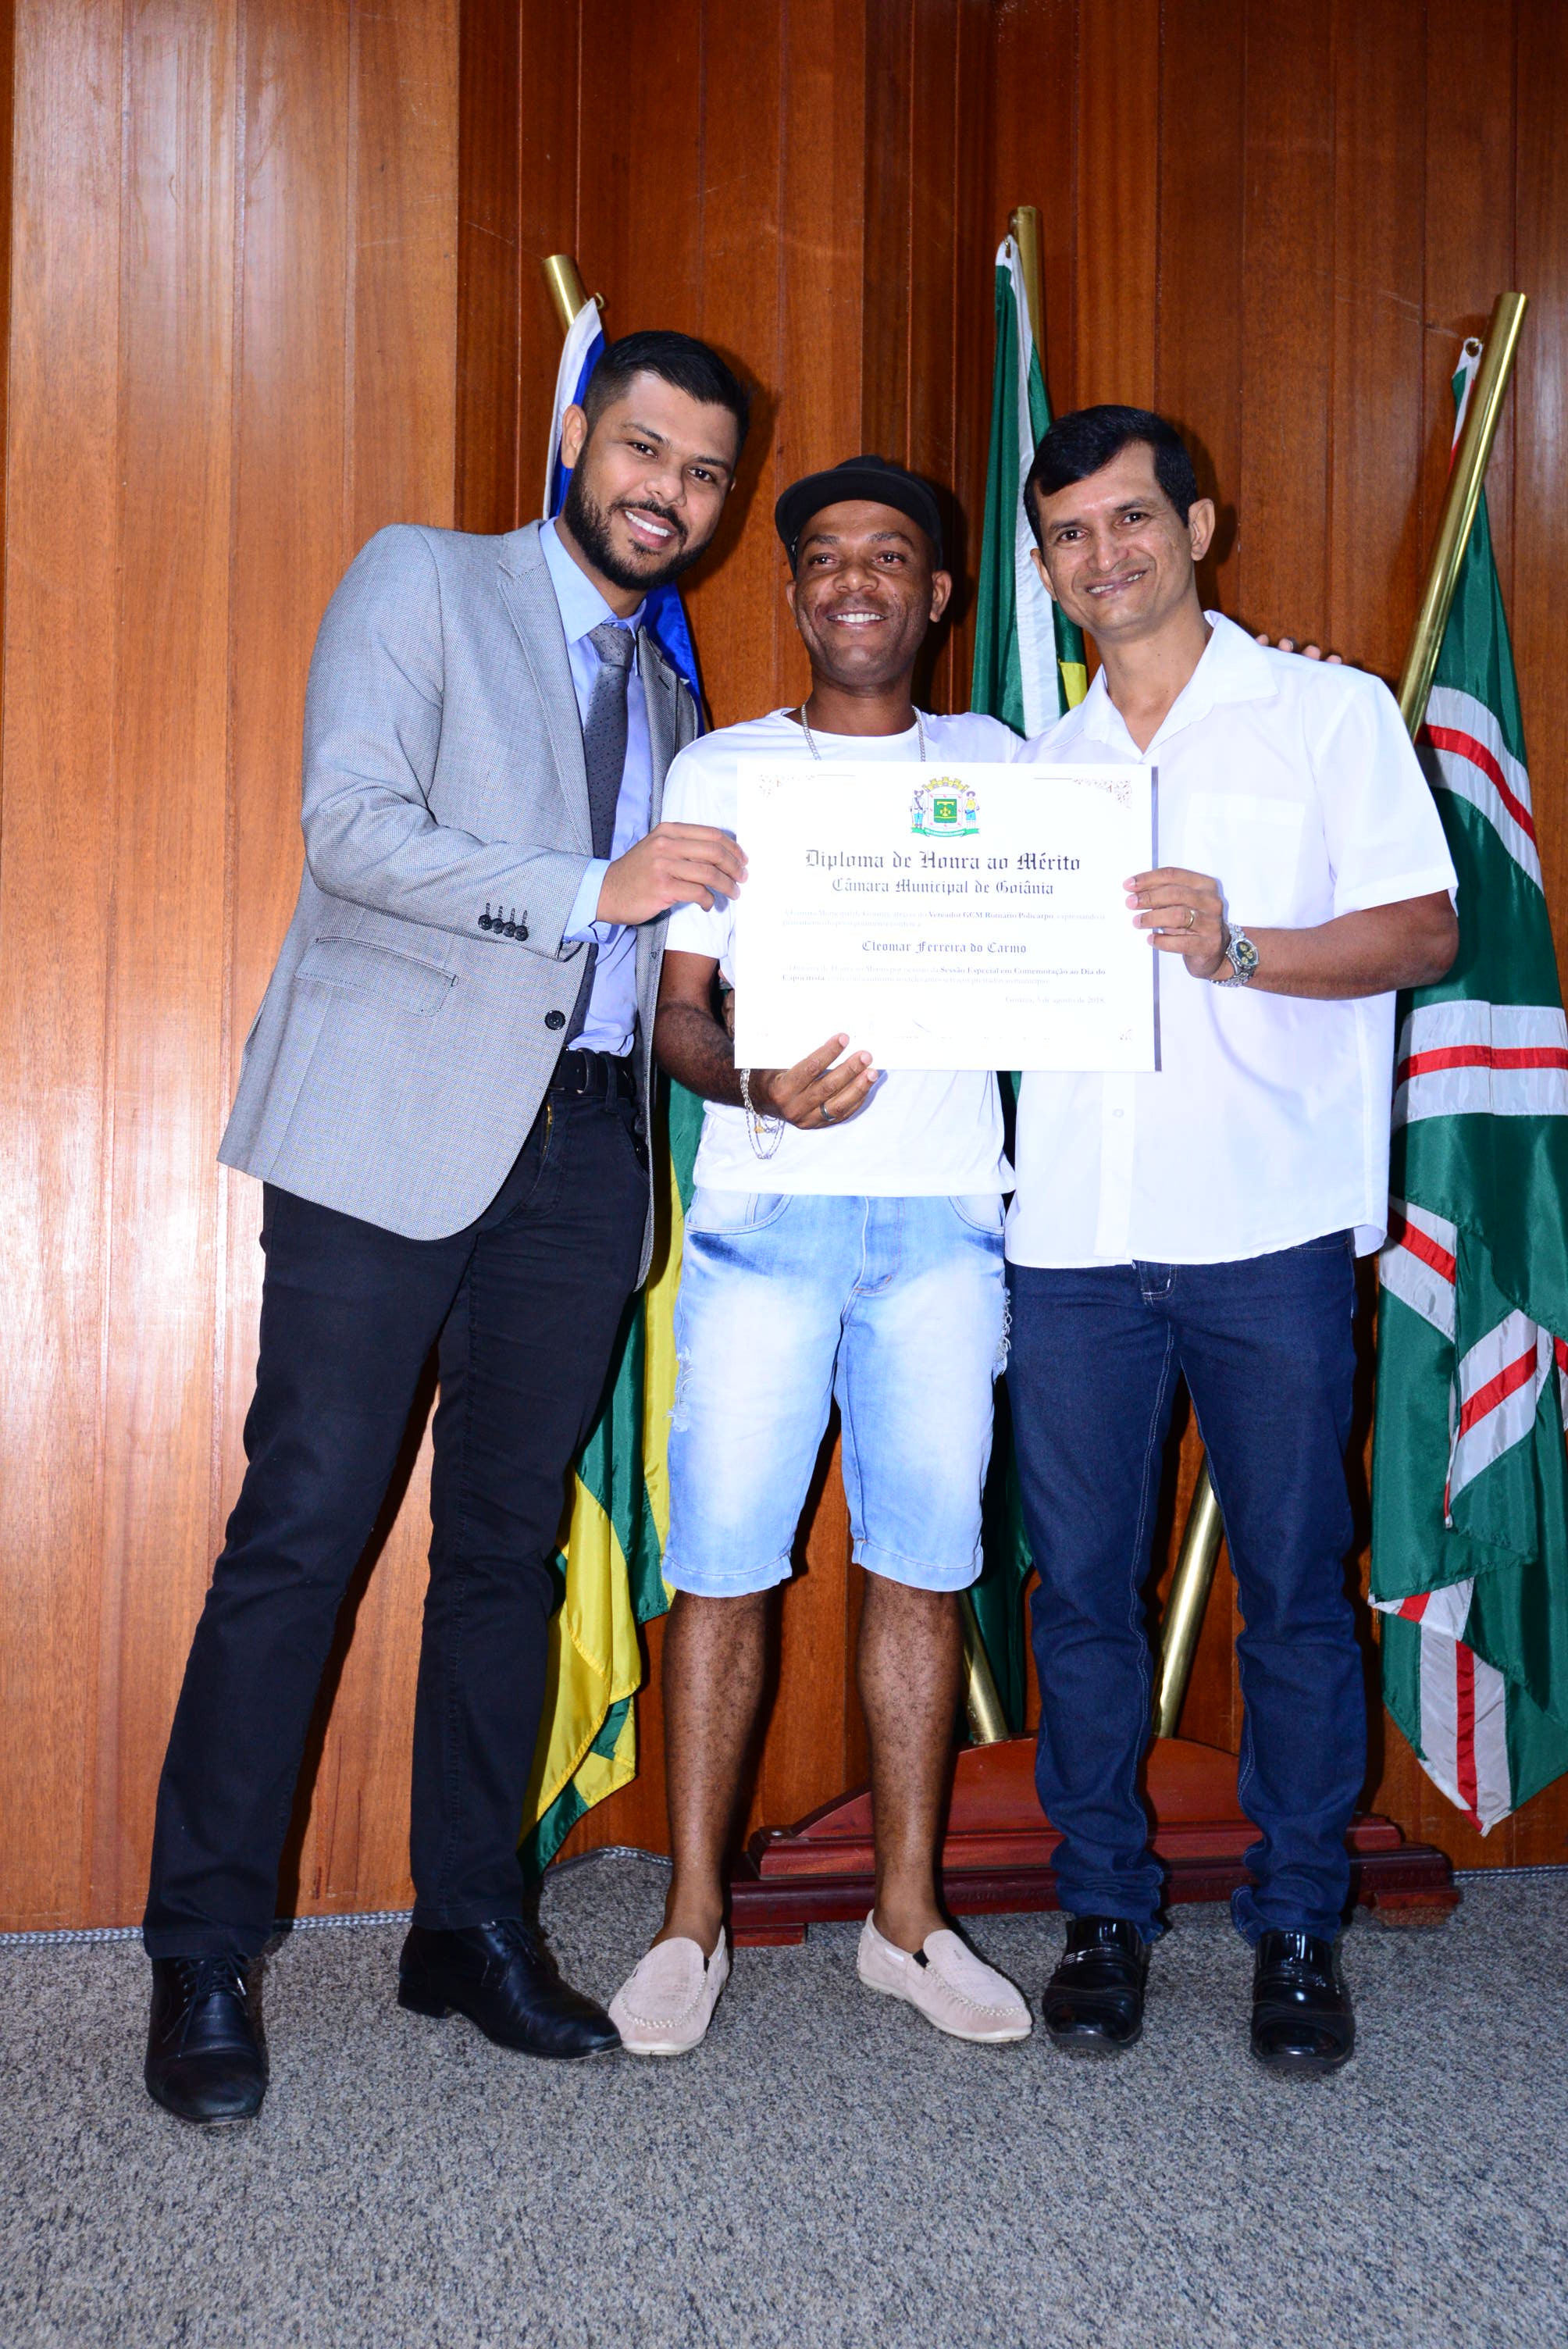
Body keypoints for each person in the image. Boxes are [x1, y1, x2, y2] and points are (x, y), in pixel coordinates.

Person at [141, 331, 752, 2125]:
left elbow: (680, 954)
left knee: (506, 1554)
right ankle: (201, 1948)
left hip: (584, 1154)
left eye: (702, 472)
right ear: (574, 433)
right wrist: (586, 886)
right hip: (384, 1132)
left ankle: (466, 1925)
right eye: (642, 449)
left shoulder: (677, 707)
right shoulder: (420, 575)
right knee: (300, 1532)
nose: (666, 492)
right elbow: (351, 828)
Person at [1005, 405, 1459, 2074]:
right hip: (1069, 1238)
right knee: (1077, 1596)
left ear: (1198, 527)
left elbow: (1425, 928)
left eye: (1132, 519)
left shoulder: (1327, 715)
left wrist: (1240, 947)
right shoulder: (1032, 773)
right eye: (1070, 534)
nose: (1104, 555)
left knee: (1290, 1588)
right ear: (1046, 566)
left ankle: (1297, 1920)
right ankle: (1101, 1909)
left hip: (1266, 1229)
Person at [607, 455, 1033, 2058]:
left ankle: (904, 1922)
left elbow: (1110, 870)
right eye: (827, 557)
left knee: (922, 1560)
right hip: (765, 1217)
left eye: (890, 555)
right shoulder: (723, 768)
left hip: (946, 1223)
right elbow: (676, 1016)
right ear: (793, 593)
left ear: (937, 594)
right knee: (721, 1561)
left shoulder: (1002, 763)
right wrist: (754, 1083)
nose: (856, 579)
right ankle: (689, 1922)